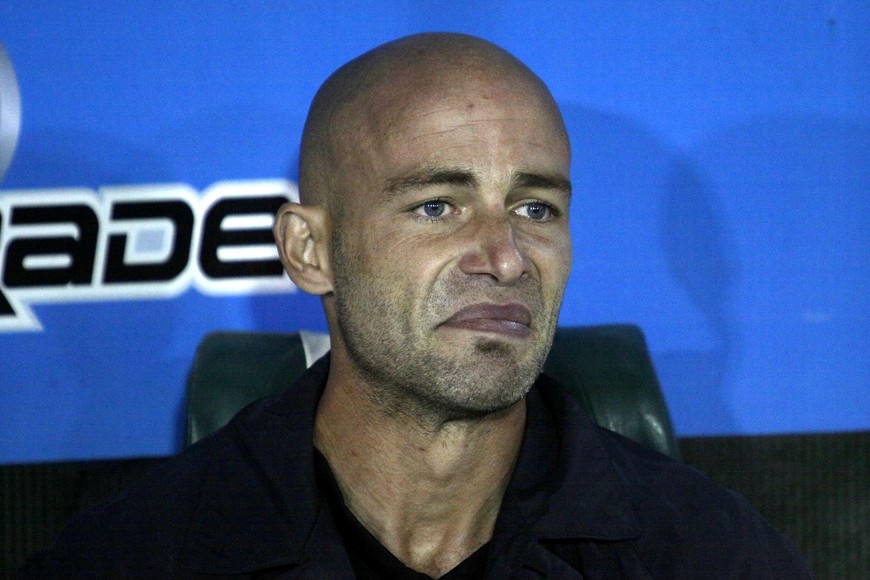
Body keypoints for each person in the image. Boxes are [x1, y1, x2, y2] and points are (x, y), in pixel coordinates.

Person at [22, 33, 811, 578]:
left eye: (535, 208)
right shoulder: (139, 557)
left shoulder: (708, 554)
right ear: (309, 250)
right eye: (437, 206)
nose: (507, 257)